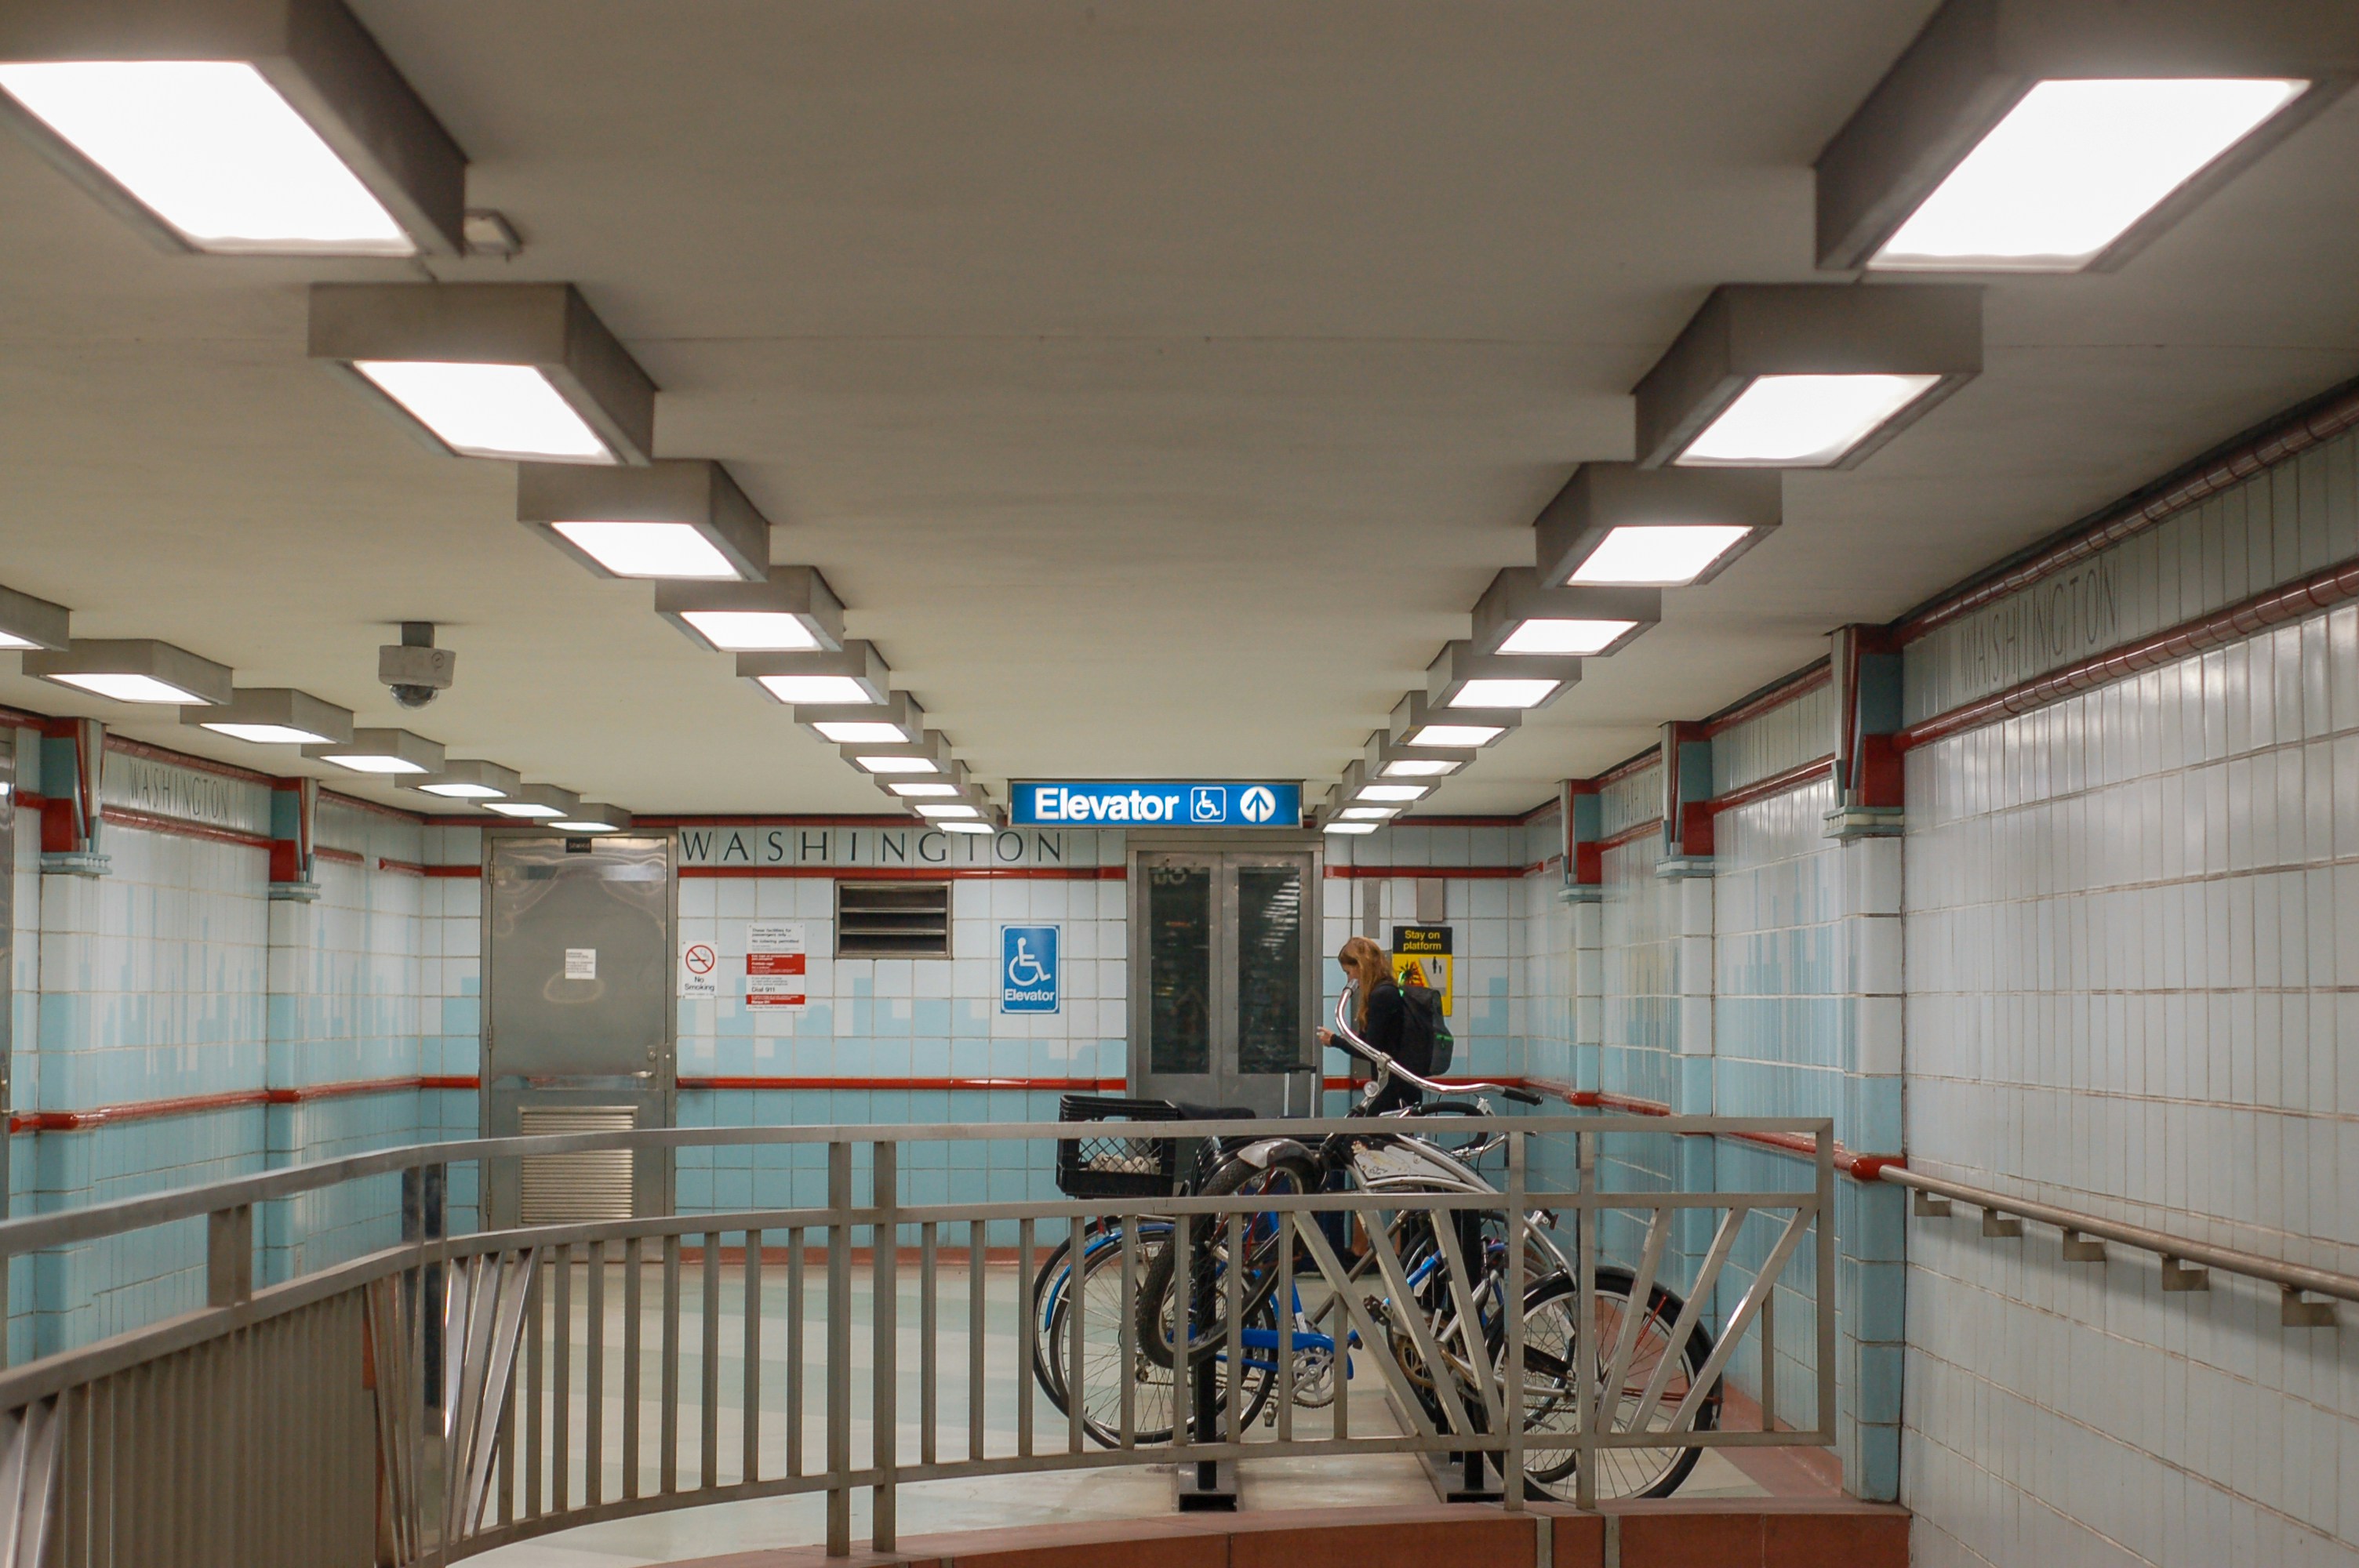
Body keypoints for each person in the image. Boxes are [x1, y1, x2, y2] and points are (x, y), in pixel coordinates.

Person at [1316, 935, 1427, 1112]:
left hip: (1394, 1089)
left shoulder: (1382, 996)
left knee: (1371, 1137)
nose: (1349, 979)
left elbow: (1371, 1050)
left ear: (1361, 967)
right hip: (1396, 1086)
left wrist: (1335, 1041)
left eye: (1348, 972)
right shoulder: (1387, 991)